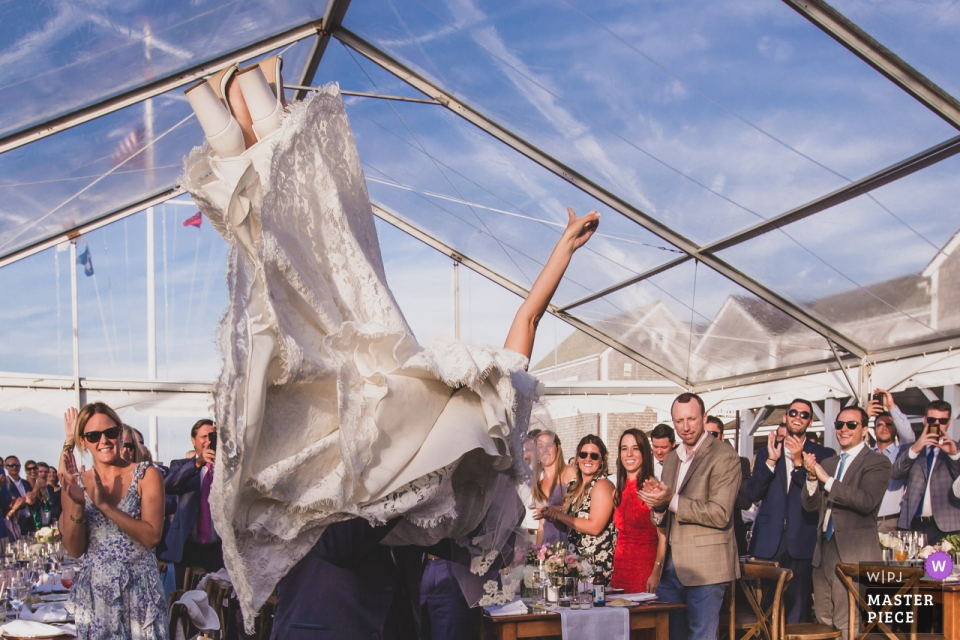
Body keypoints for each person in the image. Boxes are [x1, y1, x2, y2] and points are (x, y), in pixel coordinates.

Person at [272, 203, 598, 638]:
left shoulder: (422, 498)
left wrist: (562, 254)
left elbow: (517, 352)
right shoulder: (331, 469)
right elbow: (341, 544)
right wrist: (413, 480)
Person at [58, 402, 167, 639]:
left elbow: (151, 537)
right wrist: (78, 505)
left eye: (110, 432)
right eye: (93, 435)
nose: (103, 440)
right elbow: (75, 550)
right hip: (96, 598)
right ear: (83, 441)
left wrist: (105, 506)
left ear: (120, 433)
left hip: (140, 592)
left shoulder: (146, 474)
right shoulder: (77, 483)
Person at [639, 393, 740, 640]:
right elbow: (664, 516)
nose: (685, 427)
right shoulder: (672, 458)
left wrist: (670, 500)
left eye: (691, 419)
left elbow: (720, 513)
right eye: (679, 421)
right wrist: (659, 506)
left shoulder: (724, 456)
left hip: (707, 569)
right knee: (669, 634)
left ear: (704, 418)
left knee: (700, 636)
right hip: (673, 569)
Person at [802, 406, 891, 639]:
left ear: (864, 430)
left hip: (852, 554)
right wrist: (812, 478)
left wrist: (826, 479)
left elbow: (866, 501)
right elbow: (810, 507)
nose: (844, 429)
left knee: (846, 621)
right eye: (839, 425)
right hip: (824, 552)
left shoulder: (877, 462)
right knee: (823, 620)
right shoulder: (829, 463)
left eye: (851, 425)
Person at [744, 399, 832, 624]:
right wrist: (772, 461)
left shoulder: (822, 454)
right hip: (768, 541)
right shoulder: (767, 452)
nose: (798, 417)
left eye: (804, 415)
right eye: (793, 413)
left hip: (801, 539)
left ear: (810, 422)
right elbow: (752, 494)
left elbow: (816, 497)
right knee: (764, 612)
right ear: (785, 417)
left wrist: (799, 464)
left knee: (797, 610)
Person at [535, 435, 616, 583]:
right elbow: (569, 528)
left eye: (594, 456)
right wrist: (552, 518)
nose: (588, 459)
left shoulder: (602, 484)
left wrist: (558, 515)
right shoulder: (573, 486)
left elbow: (595, 527)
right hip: (577, 565)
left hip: (596, 567)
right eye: (583, 454)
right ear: (577, 457)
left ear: (602, 459)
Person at [161, 419, 223, 589]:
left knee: (218, 605)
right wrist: (197, 463)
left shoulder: (227, 470)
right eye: (204, 436)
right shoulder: (181, 465)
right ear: (193, 440)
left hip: (218, 550)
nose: (208, 441)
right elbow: (168, 485)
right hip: (187, 549)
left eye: (213, 436)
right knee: (186, 602)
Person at [891, 400, 960, 544]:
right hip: (913, 523)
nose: (937, 424)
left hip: (946, 526)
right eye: (932, 420)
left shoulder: (956, 448)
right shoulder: (910, 448)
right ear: (924, 421)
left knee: (942, 567)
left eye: (942, 421)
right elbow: (896, 473)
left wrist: (954, 455)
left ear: (949, 422)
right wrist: (916, 448)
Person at [610, 429, 664, 594]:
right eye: (624, 448)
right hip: (620, 568)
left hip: (644, 568)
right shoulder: (618, 490)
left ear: (644, 453)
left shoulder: (652, 487)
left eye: (635, 448)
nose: (629, 454)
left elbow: (663, 535)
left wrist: (656, 572)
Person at [865, 389, 916, 534]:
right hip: (866, 520)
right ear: (873, 431)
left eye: (889, 424)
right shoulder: (865, 453)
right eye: (880, 425)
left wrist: (892, 406)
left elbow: (909, 437)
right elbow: (853, 439)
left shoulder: (902, 452)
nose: (884, 428)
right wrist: (865, 415)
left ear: (896, 430)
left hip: (892, 522)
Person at [704, 416, 753, 558]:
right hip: (702, 541)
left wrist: (716, 490)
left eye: (713, 434)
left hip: (732, 539)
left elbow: (745, 500)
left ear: (722, 436)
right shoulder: (692, 465)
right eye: (705, 434)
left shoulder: (739, 463)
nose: (709, 439)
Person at [532, 430, 574, 546]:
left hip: (566, 542)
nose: (545, 450)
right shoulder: (538, 483)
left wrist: (552, 510)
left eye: (549, 445)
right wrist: (538, 552)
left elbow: (578, 510)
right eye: (540, 446)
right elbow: (541, 525)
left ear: (557, 448)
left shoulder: (568, 472)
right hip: (548, 547)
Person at [5, 455, 36, 536]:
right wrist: (25, 499)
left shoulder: (25, 483)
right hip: (16, 522)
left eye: (17, 465)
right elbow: (10, 503)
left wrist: (32, 500)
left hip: (30, 521)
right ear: (5, 467)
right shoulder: (5, 484)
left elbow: (31, 502)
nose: (14, 467)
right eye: (11, 465)